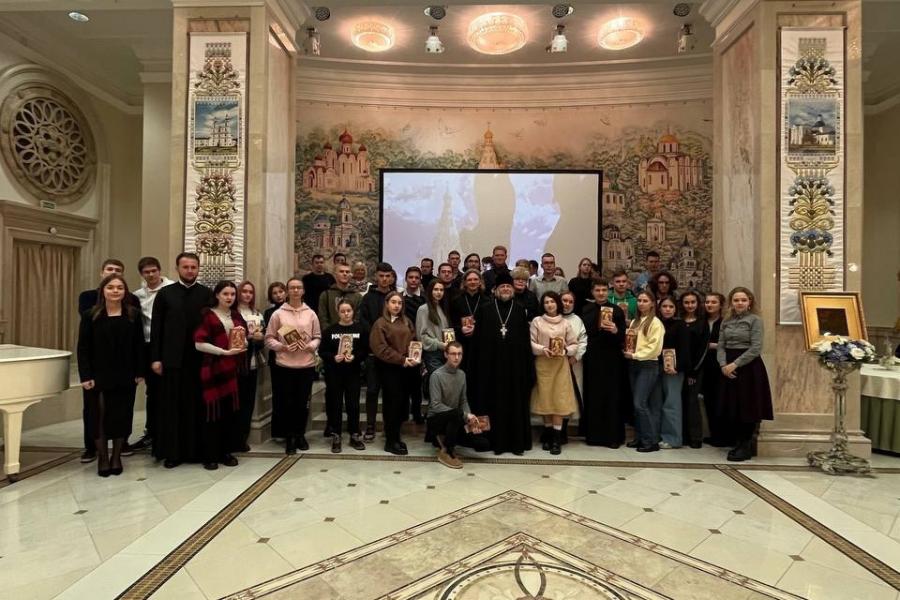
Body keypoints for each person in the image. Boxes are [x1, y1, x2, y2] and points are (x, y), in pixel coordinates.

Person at [150, 253, 214, 468]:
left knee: (199, 407)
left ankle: (199, 452)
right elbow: (156, 328)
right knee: (173, 407)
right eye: (185, 267)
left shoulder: (207, 294)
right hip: (173, 361)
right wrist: (156, 358)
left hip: (200, 360)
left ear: (198, 269)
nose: (189, 271)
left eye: (193, 267)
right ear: (177, 268)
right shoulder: (165, 294)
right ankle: (174, 453)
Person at [77, 274, 145, 476]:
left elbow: (139, 345)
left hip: (125, 373)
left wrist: (139, 371)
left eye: (119, 288)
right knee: (98, 416)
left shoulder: (133, 314)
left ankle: (116, 457)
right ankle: (103, 458)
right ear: (103, 291)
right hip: (97, 374)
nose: (115, 291)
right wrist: (85, 375)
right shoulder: (90, 315)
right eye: (111, 287)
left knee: (121, 415)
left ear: (125, 292)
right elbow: (83, 348)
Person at [472, 272, 535, 455]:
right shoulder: (485, 309)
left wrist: (527, 368)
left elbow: (525, 342)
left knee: (514, 404)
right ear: (495, 290)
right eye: (502, 287)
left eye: (508, 286)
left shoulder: (520, 309)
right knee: (491, 403)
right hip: (490, 369)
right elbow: (477, 341)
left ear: (513, 289)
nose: (506, 289)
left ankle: (515, 443)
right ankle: (492, 442)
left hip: (515, 369)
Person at [193, 281, 247, 470]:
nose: (229, 297)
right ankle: (210, 455)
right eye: (225, 294)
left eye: (232, 294)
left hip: (232, 370)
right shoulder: (207, 315)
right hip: (213, 369)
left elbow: (243, 340)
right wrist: (223, 352)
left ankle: (225, 451)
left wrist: (244, 344)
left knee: (228, 414)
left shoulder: (236, 315)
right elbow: (198, 343)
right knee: (212, 414)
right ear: (217, 295)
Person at [265, 277, 321, 454]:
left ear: (303, 291)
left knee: (302, 403)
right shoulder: (278, 314)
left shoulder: (311, 313)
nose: (295, 291)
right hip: (285, 365)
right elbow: (269, 338)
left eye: (298, 288)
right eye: (292, 288)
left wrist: (311, 346)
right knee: (287, 403)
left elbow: (317, 337)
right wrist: (282, 347)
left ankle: (300, 434)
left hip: (306, 365)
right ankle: (289, 436)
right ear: (287, 291)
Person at [717, 287, 773, 462]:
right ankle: (737, 442)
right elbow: (721, 345)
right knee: (733, 405)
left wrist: (735, 364)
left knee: (747, 406)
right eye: (736, 300)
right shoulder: (726, 321)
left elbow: (756, 348)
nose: (739, 303)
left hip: (748, 367)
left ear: (750, 302)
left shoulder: (755, 320)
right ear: (731, 303)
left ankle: (746, 445)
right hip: (728, 365)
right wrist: (723, 364)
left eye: (743, 300)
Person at [130, 256, 174, 452]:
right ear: (141, 274)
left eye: (153, 271)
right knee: (152, 392)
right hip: (148, 346)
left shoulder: (171, 289)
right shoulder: (137, 295)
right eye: (146, 272)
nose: (150, 275)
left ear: (159, 270)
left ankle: (169, 432)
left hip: (169, 346)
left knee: (169, 391)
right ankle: (151, 432)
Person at [369, 291, 418, 455]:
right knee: (392, 404)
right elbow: (380, 348)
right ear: (387, 304)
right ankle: (390, 441)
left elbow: (413, 340)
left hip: (406, 368)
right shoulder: (380, 323)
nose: (397, 305)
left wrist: (413, 355)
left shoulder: (406, 321)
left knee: (402, 404)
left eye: (400, 303)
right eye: (393, 302)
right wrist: (401, 359)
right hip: (389, 368)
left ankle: (397, 437)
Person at [530, 292, 579, 455]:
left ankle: (557, 440)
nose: (550, 305)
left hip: (560, 366)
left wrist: (565, 350)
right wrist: (543, 349)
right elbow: (531, 342)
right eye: (546, 302)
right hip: (543, 364)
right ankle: (548, 435)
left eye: (552, 301)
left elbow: (574, 344)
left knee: (558, 400)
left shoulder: (565, 323)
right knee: (545, 400)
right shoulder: (537, 321)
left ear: (558, 303)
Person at [428, 341, 490, 468]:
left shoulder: (461, 375)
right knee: (456, 413)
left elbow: (463, 401)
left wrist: (470, 419)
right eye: (453, 354)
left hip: (455, 419)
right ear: (446, 355)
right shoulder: (436, 375)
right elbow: (436, 405)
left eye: (459, 354)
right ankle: (447, 451)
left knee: (483, 444)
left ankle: (448, 440)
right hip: (436, 420)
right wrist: (464, 415)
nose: (456, 357)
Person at [581, 280, 627, 447]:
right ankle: (593, 436)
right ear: (592, 292)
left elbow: (623, 337)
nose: (601, 293)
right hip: (592, 359)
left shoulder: (617, 311)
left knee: (612, 397)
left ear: (608, 292)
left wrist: (615, 330)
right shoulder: (586, 310)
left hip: (612, 360)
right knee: (594, 396)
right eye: (598, 290)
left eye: (604, 290)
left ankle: (612, 437)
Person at [319, 299, 369, 453]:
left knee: (353, 404)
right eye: (342, 311)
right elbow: (322, 351)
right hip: (334, 373)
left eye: (348, 311)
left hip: (353, 373)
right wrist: (333, 357)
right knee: (335, 404)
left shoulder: (360, 329)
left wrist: (355, 357)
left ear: (353, 311)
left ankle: (354, 434)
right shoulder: (330, 330)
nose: (346, 314)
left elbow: (365, 350)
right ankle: (336, 435)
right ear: (338, 312)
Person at [624, 290, 664, 453]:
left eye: (645, 301)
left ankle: (651, 441)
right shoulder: (635, 321)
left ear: (652, 303)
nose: (641, 303)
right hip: (634, 364)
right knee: (637, 405)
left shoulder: (655, 323)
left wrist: (635, 355)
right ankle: (640, 437)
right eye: (639, 300)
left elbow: (655, 348)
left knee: (640, 404)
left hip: (648, 365)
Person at [359, 262, 395, 441]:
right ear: (376, 277)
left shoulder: (395, 297)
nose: (384, 279)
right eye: (381, 276)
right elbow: (363, 322)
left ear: (392, 278)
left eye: (388, 276)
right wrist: (377, 337)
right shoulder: (368, 298)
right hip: (373, 352)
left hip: (392, 352)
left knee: (390, 392)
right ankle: (370, 426)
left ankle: (389, 426)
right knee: (372, 390)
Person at [656, 297, 690, 449]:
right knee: (657, 403)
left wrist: (678, 366)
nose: (667, 309)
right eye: (664, 306)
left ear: (675, 309)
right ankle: (657, 435)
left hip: (673, 369)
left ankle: (673, 438)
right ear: (659, 308)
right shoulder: (656, 323)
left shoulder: (680, 325)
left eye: (671, 306)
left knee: (671, 403)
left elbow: (685, 348)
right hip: (655, 366)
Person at [236, 280, 265, 452]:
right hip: (235, 362)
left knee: (248, 401)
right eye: (244, 291)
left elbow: (262, 340)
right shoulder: (233, 313)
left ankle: (242, 438)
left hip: (252, 362)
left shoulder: (257, 314)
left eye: (250, 292)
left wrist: (259, 338)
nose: (247, 294)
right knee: (235, 402)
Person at [451, 269, 485, 410]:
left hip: (480, 346)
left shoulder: (487, 300)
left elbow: (490, 324)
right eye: (469, 280)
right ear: (464, 282)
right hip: (462, 344)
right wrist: (461, 329)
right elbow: (451, 323)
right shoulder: (456, 300)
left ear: (480, 282)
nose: (472, 282)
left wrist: (477, 329)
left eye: (475, 279)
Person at [701, 292, 730, 447]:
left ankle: (724, 436)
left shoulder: (726, 322)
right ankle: (714, 435)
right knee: (709, 401)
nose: (710, 305)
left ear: (720, 305)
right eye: (707, 302)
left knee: (721, 401)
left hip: (720, 366)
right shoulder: (702, 322)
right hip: (704, 367)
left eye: (713, 302)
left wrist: (715, 346)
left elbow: (730, 343)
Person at [559, 290, 588, 443]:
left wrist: (576, 357)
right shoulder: (552, 317)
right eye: (564, 300)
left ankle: (563, 429)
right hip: (554, 364)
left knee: (568, 396)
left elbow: (583, 341)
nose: (567, 304)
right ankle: (552, 430)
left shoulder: (577, 320)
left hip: (572, 364)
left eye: (570, 302)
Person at [679, 290, 706, 449]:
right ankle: (683, 435)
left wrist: (693, 372)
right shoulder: (679, 321)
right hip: (679, 368)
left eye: (692, 302)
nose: (689, 305)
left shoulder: (702, 323)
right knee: (680, 401)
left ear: (697, 304)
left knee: (692, 402)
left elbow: (702, 349)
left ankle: (695, 437)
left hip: (695, 369)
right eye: (686, 302)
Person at [401, 266, 426, 423]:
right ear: (406, 279)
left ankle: (417, 413)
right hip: (402, 345)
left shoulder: (425, 298)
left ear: (420, 280)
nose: (413, 280)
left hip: (419, 344)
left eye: (417, 277)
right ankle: (403, 413)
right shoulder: (399, 298)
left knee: (416, 383)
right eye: (411, 277)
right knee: (403, 382)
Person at [264, 282, 287, 440]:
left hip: (296, 357)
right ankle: (279, 431)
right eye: (275, 293)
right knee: (279, 394)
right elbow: (273, 332)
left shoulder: (296, 309)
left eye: (281, 291)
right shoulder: (269, 313)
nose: (279, 295)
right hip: (277, 357)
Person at [417, 278, 451, 386]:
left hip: (445, 353)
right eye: (436, 289)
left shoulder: (442, 308)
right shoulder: (423, 309)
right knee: (439, 384)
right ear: (430, 291)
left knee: (443, 386)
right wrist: (440, 345)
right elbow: (421, 337)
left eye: (441, 290)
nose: (439, 292)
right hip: (432, 354)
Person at [317, 262, 362, 332]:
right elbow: (323, 318)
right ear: (335, 275)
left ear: (350, 275)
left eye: (347, 272)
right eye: (341, 271)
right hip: (331, 334)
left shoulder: (357, 296)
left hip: (352, 334)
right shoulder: (326, 295)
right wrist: (329, 333)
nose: (345, 274)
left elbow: (358, 318)